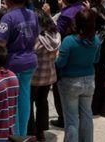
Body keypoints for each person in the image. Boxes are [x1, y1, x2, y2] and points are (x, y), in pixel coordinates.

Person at [0, 0, 38, 137]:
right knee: (24, 98)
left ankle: (16, 136)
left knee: (14, 103)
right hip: (30, 61)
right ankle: (22, 134)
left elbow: (1, 44)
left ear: (8, 0)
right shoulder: (33, 14)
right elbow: (36, 38)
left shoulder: (8, 17)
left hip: (14, 64)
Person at [55, 8, 102, 142]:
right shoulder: (97, 40)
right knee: (87, 115)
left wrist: (56, 57)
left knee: (71, 119)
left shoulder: (69, 41)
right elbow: (96, 59)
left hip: (70, 82)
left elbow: (60, 63)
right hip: (89, 81)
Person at [29, 11, 60, 142]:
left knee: (29, 104)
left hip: (34, 78)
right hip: (49, 77)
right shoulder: (55, 36)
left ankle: (30, 130)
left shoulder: (37, 39)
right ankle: (41, 131)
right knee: (42, 102)